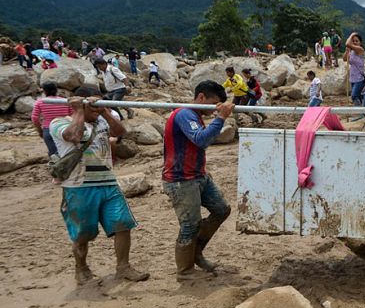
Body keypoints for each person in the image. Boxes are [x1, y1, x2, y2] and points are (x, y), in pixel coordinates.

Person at [51, 86, 150, 285]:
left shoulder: (102, 121)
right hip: (79, 186)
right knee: (83, 233)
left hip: (108, 182)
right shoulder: (59, 123)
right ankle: (81, 267)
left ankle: (123, 267)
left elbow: (121, 132)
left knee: (123, 224)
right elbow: (74, 136)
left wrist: (104, 111)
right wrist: (79, 111)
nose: (96, 108)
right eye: (92, 105)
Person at [163, 81, 234, 281]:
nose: (215, 109)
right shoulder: (184, 114)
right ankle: (184, 271)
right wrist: (221, 117)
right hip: (180, 180)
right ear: (201, 97)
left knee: (221, 209)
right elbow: (201, 140)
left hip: (198, 176)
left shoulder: (195, 116)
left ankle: (196, 253)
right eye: (213, 104)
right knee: (190, 225)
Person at [31, 82, 72, 157]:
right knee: (67, 152)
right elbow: (73, 115)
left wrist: (40, 130)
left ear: (44, 91)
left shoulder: (40, 102)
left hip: (48, 129)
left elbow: (34, 118)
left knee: (54, 154)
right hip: (65, 128)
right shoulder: (65, 101)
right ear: (56, 90)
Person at [346, 32, 365, 120]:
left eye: (356, 41)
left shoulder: (360, 50)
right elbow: (344, 59)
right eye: (353, 41)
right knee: (358, 96)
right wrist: (347, 51)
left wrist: (351, 35)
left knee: (354, 96)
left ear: (360, 43)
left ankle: (360, 113)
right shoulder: (352, 52)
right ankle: (364, 111)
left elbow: (347, 43)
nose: (354, 42)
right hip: (352, 78)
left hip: (359, 78)